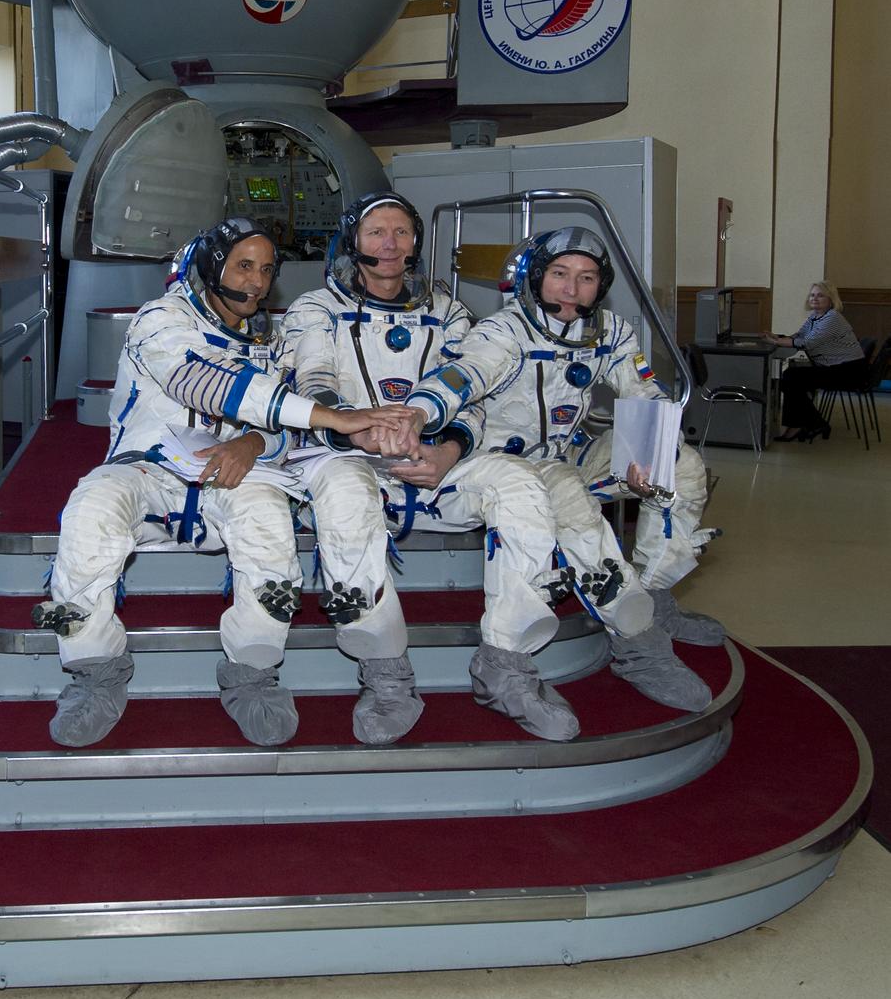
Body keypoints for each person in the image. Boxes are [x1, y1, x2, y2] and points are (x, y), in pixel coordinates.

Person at [282, 194, 652, 742]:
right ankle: (385, 673)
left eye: (402, 232)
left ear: (416, 241)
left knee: (519, 480)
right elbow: (312, 382)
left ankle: (505, 664)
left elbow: (475, 399)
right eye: (377, 232)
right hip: (344, 453)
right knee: (345, 493)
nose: (390, 244)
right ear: (352, 241)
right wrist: (353, 427)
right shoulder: (315, 309)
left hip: (434, 458)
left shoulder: (450, 313)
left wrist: (449, 451)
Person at [33, 218, 408, 749]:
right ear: (211, 268)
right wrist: (334, 417)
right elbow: (204, 382)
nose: (257, 282)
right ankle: (96, 673)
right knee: (91, 509)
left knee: (269, 524)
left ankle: (251, 673)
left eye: (267, 270)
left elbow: (283, 428)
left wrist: (252, 443)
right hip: (148, 469)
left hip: (236, 473)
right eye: (243, 266)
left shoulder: (270, 338)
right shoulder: (161, 319)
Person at [401, 226, 726, 713]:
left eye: (586, 277)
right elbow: (463, 376)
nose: (572, 289)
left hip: (565, 453)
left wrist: (650, 455)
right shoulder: (503, 332)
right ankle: (638, 645)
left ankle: (654, 595)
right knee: (570, 497)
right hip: (501, 466)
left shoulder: (611, 333)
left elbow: (643, 394)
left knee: (680, 465)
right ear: (536, 277)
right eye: (559, 274)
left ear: (601, 285)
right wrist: (417, 413)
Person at [765, 281, 866, 442]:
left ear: (831, 299)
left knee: (791, 377)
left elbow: (808, 343)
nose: (814, 298)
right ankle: (810, 423)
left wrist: (777, 342)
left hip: (848, 371)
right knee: (791, 377)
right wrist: (778, 337)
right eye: (812, 295)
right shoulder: (815, 316)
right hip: (833, 367)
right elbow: (799, 336)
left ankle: (806, 424)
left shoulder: (832, 318)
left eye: (820, 295)